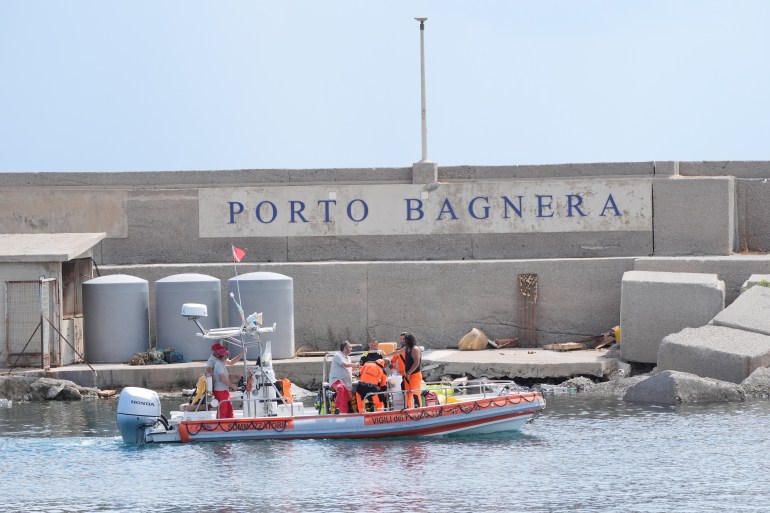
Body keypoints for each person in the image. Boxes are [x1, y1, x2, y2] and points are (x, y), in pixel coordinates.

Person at [388, 332, 423, 408]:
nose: (403, 341)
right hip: (407, 375)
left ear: (409, 340)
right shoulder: (406, 348)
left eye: (404, 339)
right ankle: (409, 409)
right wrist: (386, 355)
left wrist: (409, 373)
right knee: (407, 394)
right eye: (402, 339)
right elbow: (397, 352)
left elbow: (416, 363)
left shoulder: (415, 349)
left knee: (415, 393)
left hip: (414, 375)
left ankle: (419, 410)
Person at [328, 341, 359, 414]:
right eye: (350, 347)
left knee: (346, 399)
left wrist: (360, 368)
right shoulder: (338, 355)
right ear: (345, 348)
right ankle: (337, 408)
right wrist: (355, 365)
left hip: (346, 383)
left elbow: (349, 368)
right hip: (336, 380)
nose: (351, 349)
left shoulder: (348, 358)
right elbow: (345, 365)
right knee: (340, 388)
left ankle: (344, 414)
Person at [210, 344, 238, 419]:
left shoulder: (221, 363)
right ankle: (221, 424)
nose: (228, 356)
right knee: (223, 409)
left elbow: (231, 363)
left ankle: (230, 422)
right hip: (220, 391)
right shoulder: (219, 365)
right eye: (227, 354)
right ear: (224, 356)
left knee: (229, 408)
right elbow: (223, 378)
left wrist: (236, 377)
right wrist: (232, 385)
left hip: (224, 390)